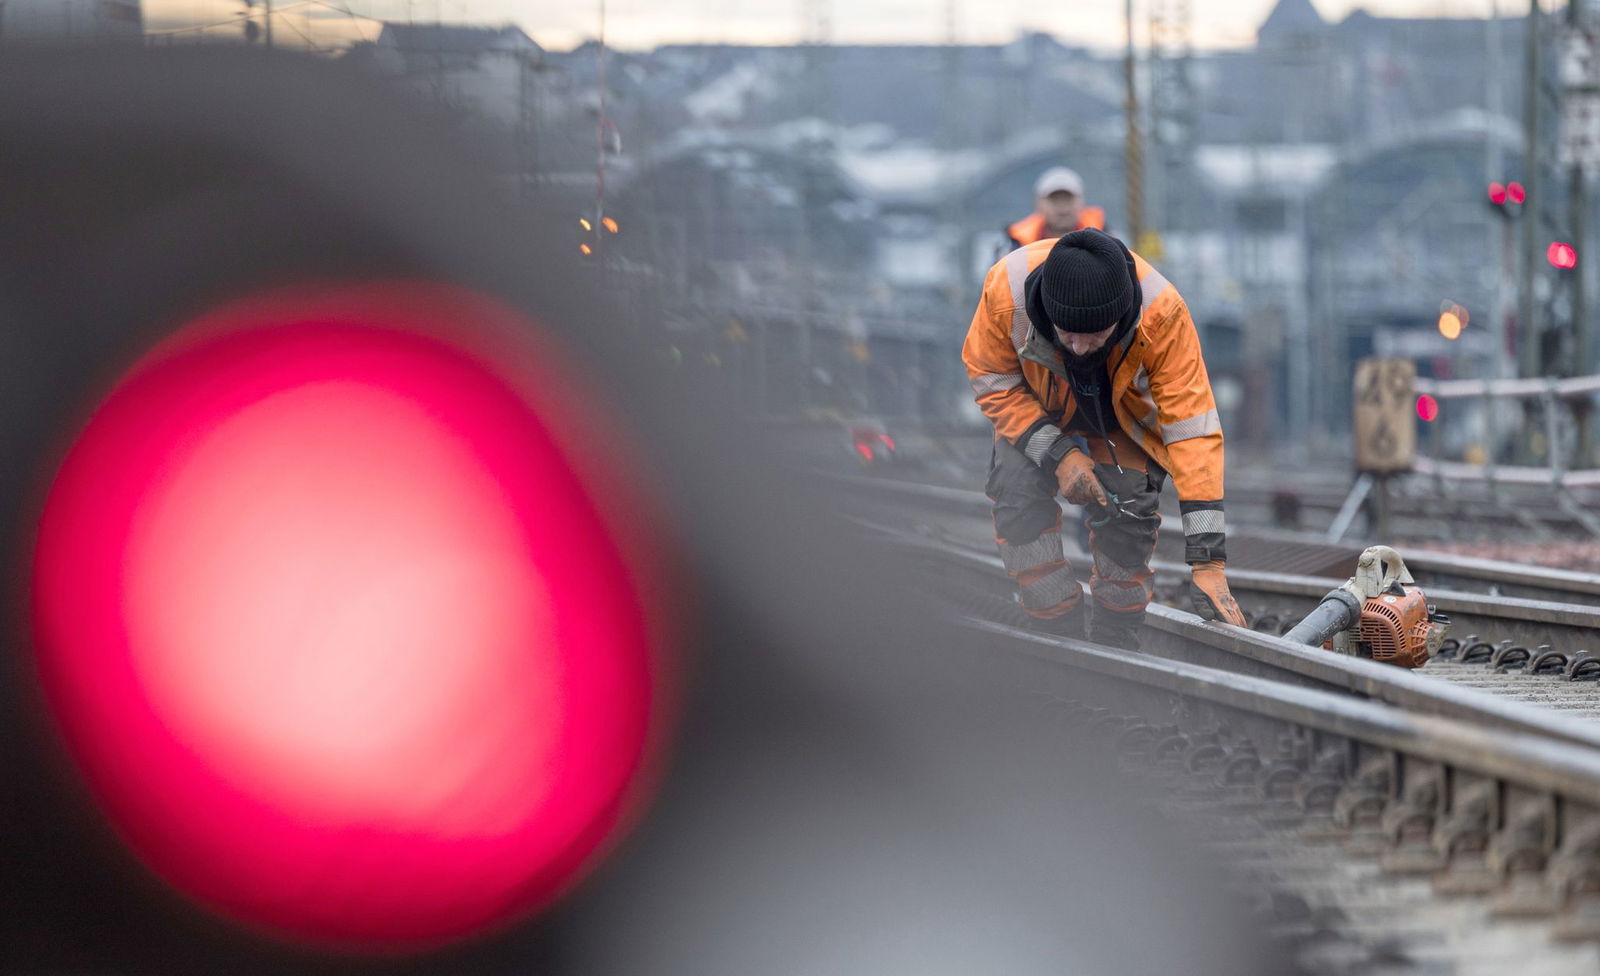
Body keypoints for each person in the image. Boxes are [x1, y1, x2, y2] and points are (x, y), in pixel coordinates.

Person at [961, 228, 1246, 649]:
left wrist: (1208, 561)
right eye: (1067, 333)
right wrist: (1059, 455)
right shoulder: (1007, 293)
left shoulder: (1163, 314)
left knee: (1130, 515)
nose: (1078, 347)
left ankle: (1116, 634)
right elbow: (993, 381)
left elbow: (1193, 429)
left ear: (1122, 313)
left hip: (1118, 421)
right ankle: (1055, 624)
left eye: (1094, 334)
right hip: (1034, 414)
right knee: (1017, 496)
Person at [1004, 167, 1106, 252]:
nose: (1063, 207)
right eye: (1054, 199)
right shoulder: (1013, 246)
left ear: (1082, 201)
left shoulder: (1107, 240)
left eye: (1068, 199)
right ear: (1038, 203)